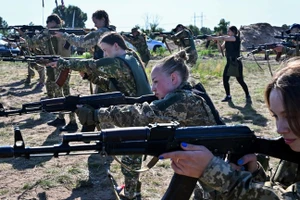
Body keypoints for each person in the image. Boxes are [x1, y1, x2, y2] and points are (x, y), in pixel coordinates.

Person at [70, 49, 218, 199]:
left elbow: (141, 115)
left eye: (155, 82)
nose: (153, 88)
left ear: (173, 78)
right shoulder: (186, 93)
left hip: (211, 168)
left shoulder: (183, 100)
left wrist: (96, 114)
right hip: (203, 162)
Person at [159, 57, 300, 199]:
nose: (280, 129)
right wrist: (255, 173)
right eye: (275, 116)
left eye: (291, 116)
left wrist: (213, 171)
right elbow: (282, 190)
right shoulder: (294, 149)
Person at [49, 31, 153, 200]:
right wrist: (91, 78)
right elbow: (111, 85)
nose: (104, 54)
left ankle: (131, 195)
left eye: (105, 50)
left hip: (134, 117)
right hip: (136, 113)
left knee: (130, 161)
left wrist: (63, 62)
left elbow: (92, 64)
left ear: (116, 46)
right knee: (132, 158)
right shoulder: (131, 58)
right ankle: (133, 190)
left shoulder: (119, 63)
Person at [22, 14, 78, 132]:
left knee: (65, 94)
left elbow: (33, 43)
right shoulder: (60, 32)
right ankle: (61, 117)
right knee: (60, 93)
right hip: (62, 64)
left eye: (48, 22)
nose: (47, 25)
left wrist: (25, 35)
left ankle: (72, 122)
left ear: (54, 22)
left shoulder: (53, 32)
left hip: (62, 65)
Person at [207, 26, 251, 103]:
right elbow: (221, 49)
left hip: (236, 62)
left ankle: (247, 94)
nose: (228, 32)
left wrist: (214, 37)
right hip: (229, 62)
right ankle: (228, 96)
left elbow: (224, 38)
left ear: (233, 32)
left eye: (229, 31)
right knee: (225, 79)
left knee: (240, 80)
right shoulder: (227, 39)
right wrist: (217, 42)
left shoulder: (235, 38)